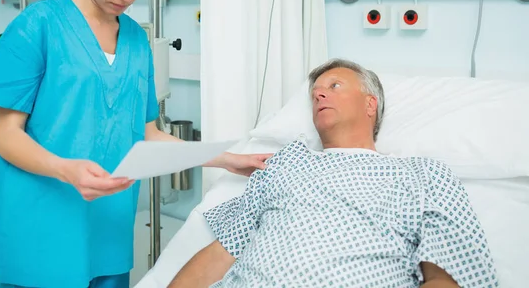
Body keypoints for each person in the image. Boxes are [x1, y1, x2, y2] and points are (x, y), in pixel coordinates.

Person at [0, 0, 270, 288]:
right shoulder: (36, 27)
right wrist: (67, 169)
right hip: (42, 227)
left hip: (108, 228)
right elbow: (7, 135)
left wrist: (225, 158)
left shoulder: (136, 40)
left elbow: (146, 133)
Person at [168, 58, 500, 288]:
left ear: (370, 105)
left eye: (335, 85)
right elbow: (222, 252)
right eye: (315, 92)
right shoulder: (284, 165)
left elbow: (444, 277)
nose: (318, 93)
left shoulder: (421, 175)